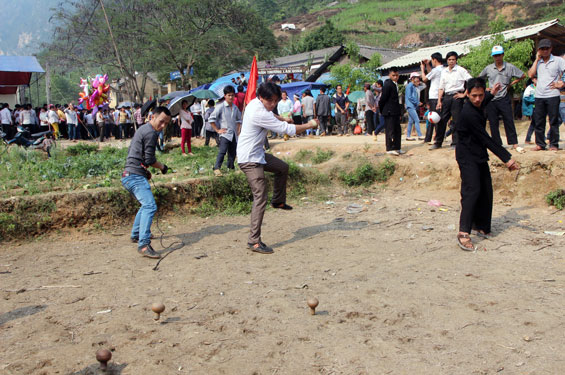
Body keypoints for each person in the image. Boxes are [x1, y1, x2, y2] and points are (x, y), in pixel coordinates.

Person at [237, 82, 318, 254]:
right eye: (270, 101)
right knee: (260, 197)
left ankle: (278, 201)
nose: (273, 104)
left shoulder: (255, 103)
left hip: (257, 154)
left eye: (275, 101)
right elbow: (286, 130)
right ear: (262, 98)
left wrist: (283, 118)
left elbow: (272, 116)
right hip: (250, 159)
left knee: (282, 167)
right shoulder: (259, 111)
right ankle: (254, 241)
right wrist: (309, 125)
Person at [455, 78, 519, 251]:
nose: (478, 99)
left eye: (481, 95)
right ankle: (463, 232)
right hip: (467, 155)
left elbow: (484, 100)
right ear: (466, 94)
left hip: (478, 153)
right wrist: (507, 158)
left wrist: (492, 94)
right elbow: (486, 139)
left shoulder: (479, 103)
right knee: (472, 190)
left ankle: (481, 225)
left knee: (486, 189)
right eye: (474, 95)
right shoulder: (468, 113)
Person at [121, 106, 171, 259]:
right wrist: (162, 167)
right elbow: (149, 159)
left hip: (130, 174)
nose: (162, 126)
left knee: (145, 205)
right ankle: (143, 244)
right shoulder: (150, 132)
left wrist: (144, 170)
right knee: (150, 205)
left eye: (166, 124)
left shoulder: (143, 129)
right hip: (134, 176)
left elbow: (136, 154)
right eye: (161, 122)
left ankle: (136, 234)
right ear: (152, 117)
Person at [478, 45, 525, 148]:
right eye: (495, 56)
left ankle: (514, 143)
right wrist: (485, 88)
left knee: (508, 120)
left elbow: (522, 75)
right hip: (491, 98)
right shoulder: (488, 68)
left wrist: (511, 84)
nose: (497, 58)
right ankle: (497, 143)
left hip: (504, 97)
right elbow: (479, 79)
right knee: (493, 122)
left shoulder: (509, 67)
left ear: (503, 55)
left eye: (499, 55)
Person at [527, 39, 565, 151]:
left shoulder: (558, 60)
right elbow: (530, 74)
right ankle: (540, 144)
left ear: (551, 49)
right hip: (539, 95)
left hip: (552, 94)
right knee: (539, 121)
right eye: (542, 49)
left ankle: (553, 144)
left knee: (553, 121)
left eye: (547, 48)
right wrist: (536, 60)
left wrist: (562, 83)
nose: (545, 51)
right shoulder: (538, 62)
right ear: (539, 50)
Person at [431, 51, 472, 150]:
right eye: (449, 59)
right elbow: (441, 87)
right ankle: (438, 142)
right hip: (446, 97)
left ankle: (455, 143)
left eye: (453, 59)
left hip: (457, 97)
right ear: (447, 60)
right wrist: (439, 101)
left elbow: (471, 81)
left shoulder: (461, 70)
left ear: (456, 60)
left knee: (456, 121)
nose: (451, 61)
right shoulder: (444, 71)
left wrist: (464, 95)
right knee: (441, 120)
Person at [210, 85, 242, 177]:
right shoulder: (220, 106)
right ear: (225, 96)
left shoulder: (235, 108)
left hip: (233, 134)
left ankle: (231, 168)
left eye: (232, 95)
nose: (231, 97)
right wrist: (217, 130)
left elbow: (239, 119)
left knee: (232, 153)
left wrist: (238, 129)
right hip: (225, 133)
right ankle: (216, 168)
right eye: (229, 95)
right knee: (222, 151)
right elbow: (211, 119)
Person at [379, 67, 403, 156]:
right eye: (393, 75)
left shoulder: (395, 84)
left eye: (397, 75)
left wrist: (399, 112)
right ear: (389, 75)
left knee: (397, 130)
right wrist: (382, 110)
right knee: (390, 130)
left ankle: (397, 147)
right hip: (389, 111)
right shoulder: (388, 84)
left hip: (395, 111)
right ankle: (389, 148)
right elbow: (382, 99)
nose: (395, 77)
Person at [421, 52, 444, 144]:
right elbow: (431, 73)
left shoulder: (437, 70)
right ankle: (429, 137)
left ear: (434, 60)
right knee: (433, 117)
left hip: (434, 96)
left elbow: (424, 79)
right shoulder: (442, 69)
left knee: (435, 118)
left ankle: (434, 138)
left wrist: (422, 69)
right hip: (439, 96)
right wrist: (427, 64)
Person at [405, 72, 426, 141]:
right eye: (417, 77)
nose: (418, 79)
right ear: (412, 78)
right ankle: (420, 135)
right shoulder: (410, 86)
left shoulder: (413, 86)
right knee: (417, 120)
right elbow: (410, 96)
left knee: (411, 121)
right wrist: (417, 102)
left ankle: (408, 136)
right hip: (410, 105)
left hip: (412, 106)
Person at [523, 78, 537, 144]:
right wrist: (534, 100)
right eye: (536, 79)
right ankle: (528, 139)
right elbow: (525, 98)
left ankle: (528, 139)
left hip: (539, 107)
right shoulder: (529, 88)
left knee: (534, 123)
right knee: (535, 123)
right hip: (533, 108)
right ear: (533, 80)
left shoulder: (540, 87)